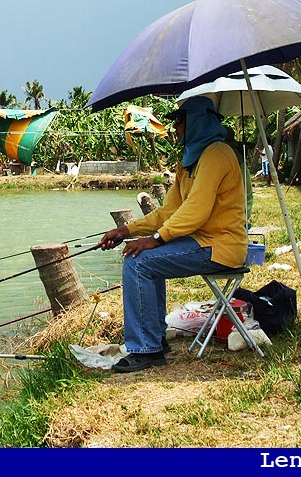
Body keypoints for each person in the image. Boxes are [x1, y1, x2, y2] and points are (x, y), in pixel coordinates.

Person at [98, 95, 247, 373]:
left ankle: (146, 349)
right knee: (142, 255)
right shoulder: (190, 161)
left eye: (180, 121)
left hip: (221, 246)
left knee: (139, 261)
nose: (176, 128)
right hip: (201, 242)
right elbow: (169, 212)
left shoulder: (216, 153)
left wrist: (155, 239)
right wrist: (126, 230)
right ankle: (153, 339)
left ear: (197, 122)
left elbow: (196, 210)